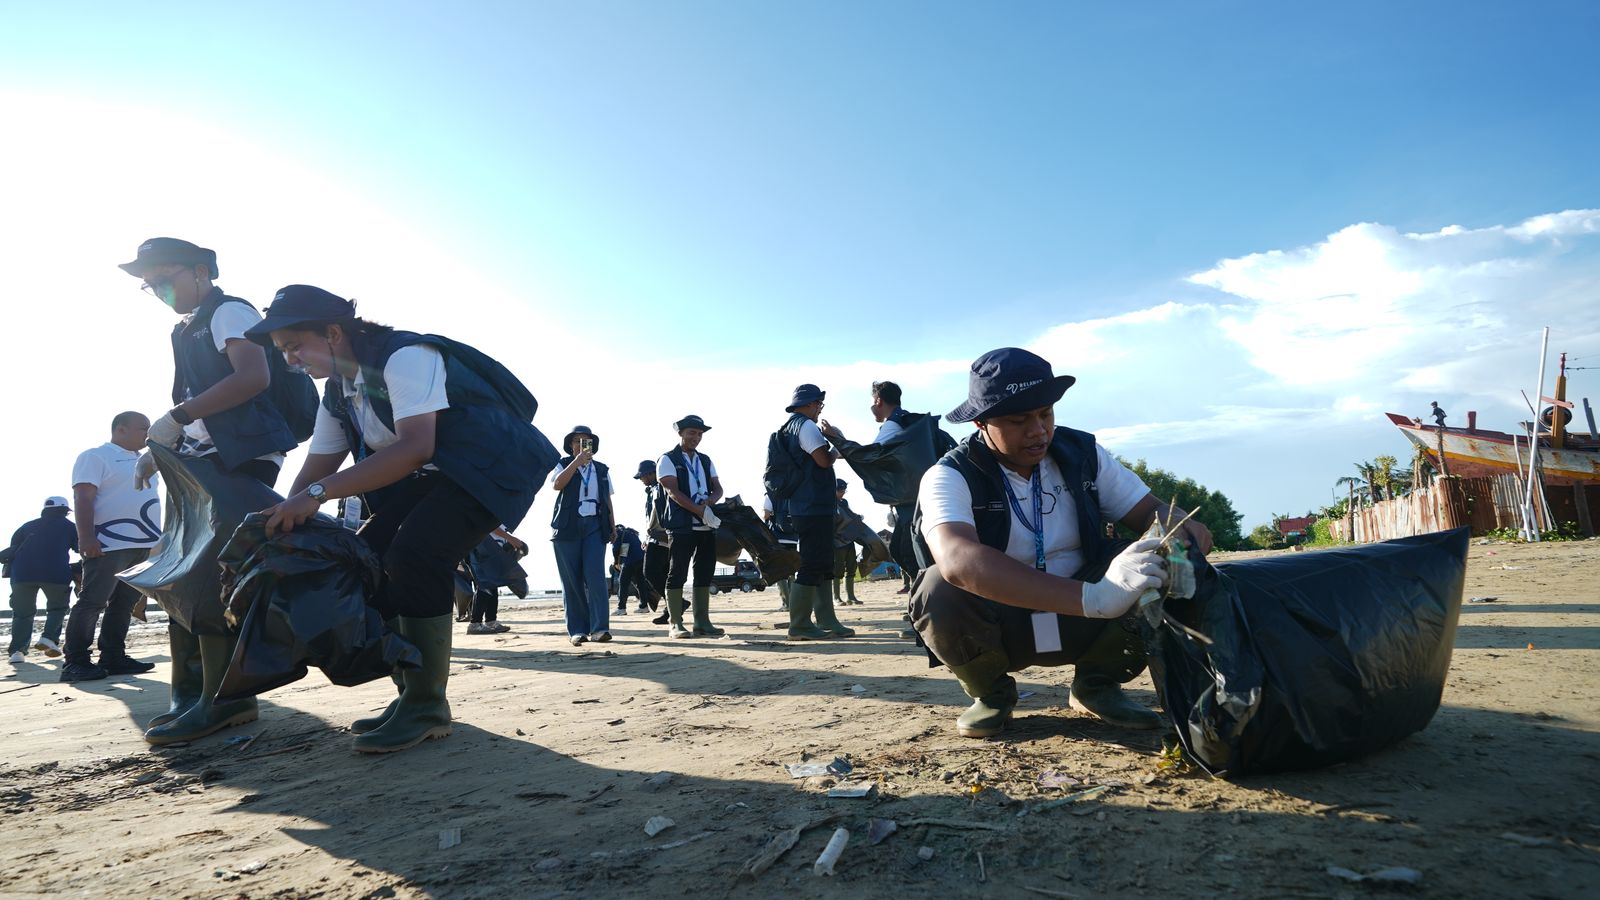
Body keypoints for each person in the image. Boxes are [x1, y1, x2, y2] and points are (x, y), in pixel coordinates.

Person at [249, 284, 550, 753]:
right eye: (283, 352)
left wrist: (314, 496)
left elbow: (416, 446)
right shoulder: (337, 392)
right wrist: (284, 515)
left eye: (293, 347)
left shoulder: (404, 356)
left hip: (491, 466)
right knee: (369, 558)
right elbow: (320, 462)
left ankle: (428, 705)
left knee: (416, 555)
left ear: (332, 332)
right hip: (433, 475)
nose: (290, 361)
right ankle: (411, 695)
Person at [911, 348, 1213, 739]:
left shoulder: (1082, 455)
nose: (1038, 431)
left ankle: (1097, 684)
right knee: (938, 589)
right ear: (982, 423)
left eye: (1045, 414)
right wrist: (1095, 597)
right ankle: (992, 694)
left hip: (1089, 619)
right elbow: (958, 560)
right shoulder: (949, 474)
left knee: (1155, 564)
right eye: (1019, 420)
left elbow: (1152, 512)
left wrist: (1180, 530)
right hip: (1008, 619)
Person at [119, 238, 304, 745]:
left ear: (200, 272)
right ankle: (190, 691)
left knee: (205, 571)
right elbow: (191, 399)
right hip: (202, 455)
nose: (156, 289)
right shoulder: (185, 328)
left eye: (163, 278)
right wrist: (164, 448)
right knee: (181, 568)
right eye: (148, 285)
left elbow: (253, 377)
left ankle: (227, 699)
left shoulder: (228, 311)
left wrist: (175, 419)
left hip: (241, 454)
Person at [60, 413, 163, 682]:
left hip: (144, 545)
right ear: (121, 429)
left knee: (125, 603)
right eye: (143, 428)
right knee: (92, 601)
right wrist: (86, 538)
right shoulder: (96, 456)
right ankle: (76, 661)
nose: (148, 433)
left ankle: (113, 657)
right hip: (109, 543)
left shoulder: (147, 459)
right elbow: (83, 496)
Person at [770, 385, 853, 640]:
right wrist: (837, 440)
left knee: (822, 562)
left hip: (805, 505)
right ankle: (800, 624)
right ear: (809, 404)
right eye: (819, 404)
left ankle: (827, 619)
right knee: (812, 563)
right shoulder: (805, 427)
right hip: (812, 505)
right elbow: (823, 461)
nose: (819, 409)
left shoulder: (788, 428)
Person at [656, 415, 725, 638]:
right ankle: (675, 623)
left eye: (699, 434)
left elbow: (718, 489)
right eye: (691, 433)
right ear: (681, 433)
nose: (696, 437)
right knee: (677, 572)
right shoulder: (667, 459)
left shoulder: (705, 460)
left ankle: (702, 622)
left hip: (706, 524)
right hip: (681, 525)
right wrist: (698, 510)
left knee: (705, 572)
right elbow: (672, 492)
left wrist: (710, 503)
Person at [551, 426, 616, 646]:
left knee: (595, 576)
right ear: (570, 445)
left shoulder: (602, 469)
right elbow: (557, 484)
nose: (581, 444)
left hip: (595, 526)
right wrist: (576, 462)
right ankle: (577, 630)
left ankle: (600, 629)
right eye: (577, 441)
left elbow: (607, 500)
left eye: (585, 441)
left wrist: (613, 527)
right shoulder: (563, 464)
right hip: (567, 527)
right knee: (572, 580)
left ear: (593, 445)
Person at [6, 498, 79, 664]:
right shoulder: (69, 526)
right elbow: (79, 548)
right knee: (57, 608)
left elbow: (13, 547)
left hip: (21, 574)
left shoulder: (27, 526)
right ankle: (49, 638)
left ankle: (17, 652)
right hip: (55, 573)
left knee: (22, 614)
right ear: (65, 510)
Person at [465, 528, 528, 635]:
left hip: (493, 547)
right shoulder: (495, 511)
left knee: (493, 585)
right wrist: (511, 539)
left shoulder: (505, 515)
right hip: (483, 546)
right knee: (486, 585)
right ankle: (475, 623)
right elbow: (490, 525)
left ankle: (491, 621)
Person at [634, 461, 671, 623]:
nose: (641, 480)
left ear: (650, 474)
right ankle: (671, 609)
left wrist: (652, 536)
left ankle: (676, 603)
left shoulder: (660, 488)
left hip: (661, 537)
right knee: (664, 574)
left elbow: (659, 516)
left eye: (642, 476)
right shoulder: (652, 490)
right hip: (657, 537)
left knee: (649, 572)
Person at [763, 494, 798, 611]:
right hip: (793, 537)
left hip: (778, 538)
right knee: (791, 571)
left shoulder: (770, 496)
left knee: (780, 572)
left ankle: (786, 603)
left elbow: (766, 515)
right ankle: (793, 602)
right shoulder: (793, 494)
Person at [831, 479, 862, 606]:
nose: (842, 493)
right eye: (840, 490)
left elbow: (850, 515)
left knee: (851, 566)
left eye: (844, 490)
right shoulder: (828, 503)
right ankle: (836, 597)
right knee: (837, 568)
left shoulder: (844, 502)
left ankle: (851, 596)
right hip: (836, 540)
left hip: (849, 538)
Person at [610, 524, 648, 616]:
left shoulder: (617, 533)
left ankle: (621, 608)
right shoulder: (630, 533)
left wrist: (616, 562)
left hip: (631, 560)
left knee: (623, 582)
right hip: (641, 559)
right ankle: (644, 606)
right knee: (640, 583)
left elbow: (616, 550)